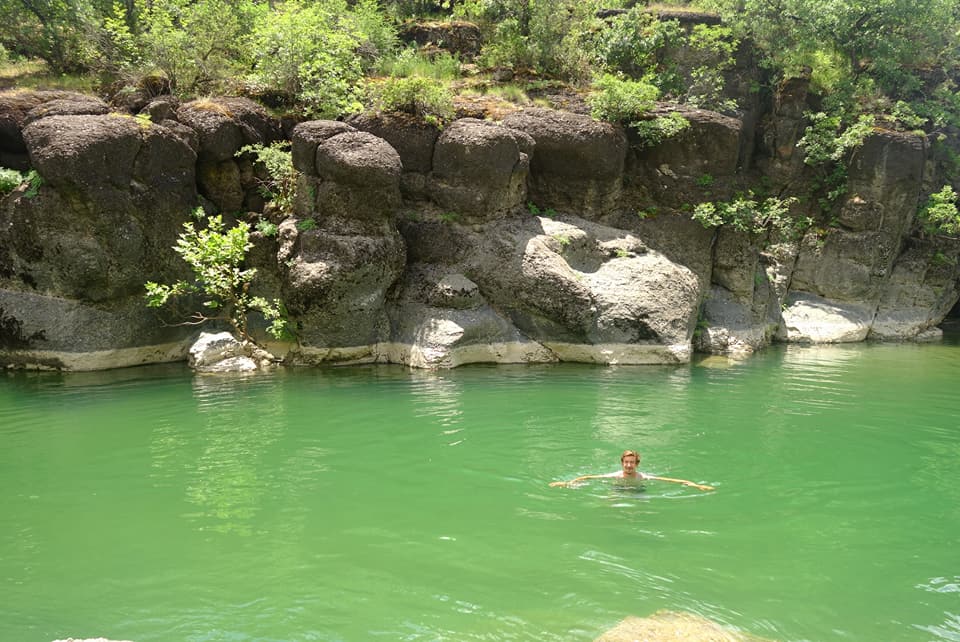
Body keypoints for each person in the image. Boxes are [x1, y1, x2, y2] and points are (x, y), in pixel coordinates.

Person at [549, 449, 714, 491]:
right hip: (618, 489)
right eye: (626, 462)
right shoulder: (615, 475)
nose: (629, 465)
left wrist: (696, 485)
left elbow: (673, 481)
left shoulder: (642, 477)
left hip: (637, 491)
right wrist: (566, 483)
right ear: (622, 463)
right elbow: (588, 477)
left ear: (637, 464)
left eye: (632, 462)